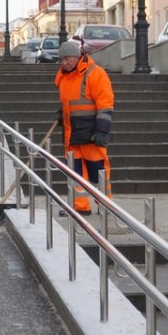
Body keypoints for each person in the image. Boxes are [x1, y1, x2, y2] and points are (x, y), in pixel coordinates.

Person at [54, 41, 114, 215]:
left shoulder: (95, 74)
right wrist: (62, 112)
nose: (63, 63)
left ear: (76, 56)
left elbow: (105, 105)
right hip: (71, 135)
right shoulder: (63, 77)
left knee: (98, 173)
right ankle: (79, 207)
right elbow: (69, 101)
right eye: (60, 60)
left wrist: (101, 131)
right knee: (75, 174)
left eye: (66, 59)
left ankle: (106, 206)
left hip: (91, 135)